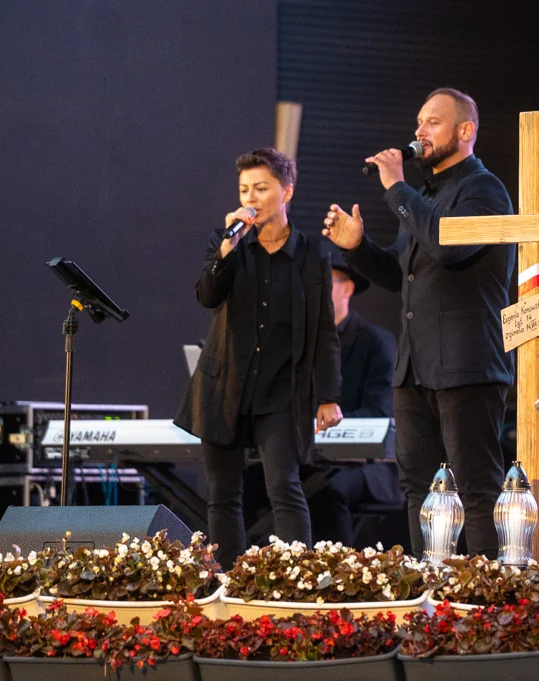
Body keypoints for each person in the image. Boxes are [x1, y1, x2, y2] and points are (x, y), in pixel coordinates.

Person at [322, 88, 515, 558]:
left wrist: (395, 187)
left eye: (432, 122)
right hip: (415, 370)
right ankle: (431, 594)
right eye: (418, 122)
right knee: (420, 490)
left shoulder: (483, 190)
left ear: (465, 131)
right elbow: (398, 271)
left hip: (468, 367)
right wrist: (357, 248)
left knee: (476, 487)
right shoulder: (425, 196)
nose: (419, 132)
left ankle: (484, 601)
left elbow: (449, 248)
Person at [175, 148, 343, 569]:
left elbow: (324, 330)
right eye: (244, 189)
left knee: (284, 487)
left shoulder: (311, 255)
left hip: (280, 390)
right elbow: (206, 295)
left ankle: (295, 581)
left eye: (261, 188)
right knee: (223, 494)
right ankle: (227, 582)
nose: (251, 197)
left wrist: (327, 395)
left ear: (287, 190)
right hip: (224, 385)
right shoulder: (227, 242)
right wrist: (229, 249)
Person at [308, 259, 402, 546]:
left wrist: (320, 425)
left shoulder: (375, 342)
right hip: (311, 459)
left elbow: (378, 413)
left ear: (346, 289)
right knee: (254, 481)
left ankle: (336, 576)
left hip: (368, 467)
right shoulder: (304, 344)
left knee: (326, 491)